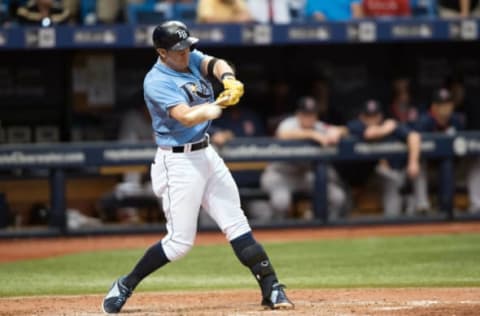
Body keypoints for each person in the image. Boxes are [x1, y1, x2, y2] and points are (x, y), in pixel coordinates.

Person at [102, 20, 293, 314]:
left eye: (188, 46)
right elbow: (186, 117)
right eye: (179, 50)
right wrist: (218, 105)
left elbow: (215, 62)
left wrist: (229, 78)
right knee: (180, 243)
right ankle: (125, 284)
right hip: (177, 161)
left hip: (206, 154)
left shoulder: (189, 56)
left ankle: (272, 287)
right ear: (161, 52)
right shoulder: (157, 81)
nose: (186, 52)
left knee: (236, 222)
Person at [261, 96, 348, 220]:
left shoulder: (318, 126)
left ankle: (324, 232)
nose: (309, 118)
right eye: (305, 114)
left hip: (304, 176)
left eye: (312, 114)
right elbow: (282, 134)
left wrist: (337, 132)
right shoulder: (289, 124)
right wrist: (312, 135)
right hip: (280, 176)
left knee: (337, 197)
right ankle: (278, 235)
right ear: (298, 114)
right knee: (281, 202)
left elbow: (344, 130)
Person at [342, 99, 421, 217]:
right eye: (368, 117)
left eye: (375, 116)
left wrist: (413, 162)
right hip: (356, 178)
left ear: (381, 116)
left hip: (388, 174)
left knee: (393, 180)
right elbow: (370, 134)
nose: (372, 120)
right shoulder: (357, 126)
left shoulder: (390, 125)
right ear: (361, 117)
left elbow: (414, 136)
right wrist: (387, 128)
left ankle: (394, 221)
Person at [413, 88, 465, 213]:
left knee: (474, 162)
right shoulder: (423, 122)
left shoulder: (456, 121)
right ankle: (423, 206)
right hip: (428, 169)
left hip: (452, 168)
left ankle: (476, 205)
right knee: (419, 164)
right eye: (441, 105)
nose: (446, 108)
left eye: (448, 104)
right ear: (434, 107)